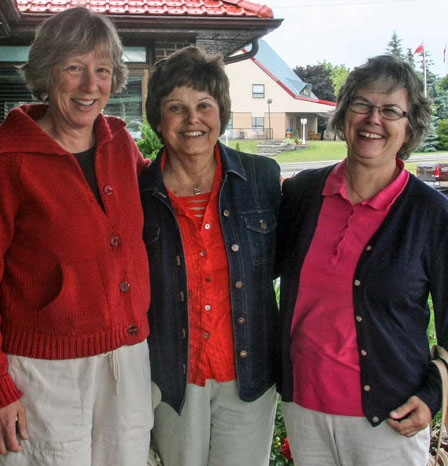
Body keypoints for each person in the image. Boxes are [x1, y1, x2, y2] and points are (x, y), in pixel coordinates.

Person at [0, 7, 153, 465]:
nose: (90, 86)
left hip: (126, 362)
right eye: (74, 68)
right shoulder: (1, 159)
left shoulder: (121, 146)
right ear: (47, 73)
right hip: (44, 373)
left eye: (102, 70)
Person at [277, 55, 448, 466]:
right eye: (362, 105)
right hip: (304, 408)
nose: (373, 119)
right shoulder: (302, 195)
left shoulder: (430, 213)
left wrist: (431, 396)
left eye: (390, 110)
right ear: (345, 112)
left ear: (409, 126)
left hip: (389, 418)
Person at [139, 46, 281, 466]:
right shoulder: (138, 193)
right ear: (159, 121)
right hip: (173, 377)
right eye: (176, 108)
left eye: (204, 105)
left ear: (221, 112)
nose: (192, 119)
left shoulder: (262, 178)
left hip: (248, 373)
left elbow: (286, 262)